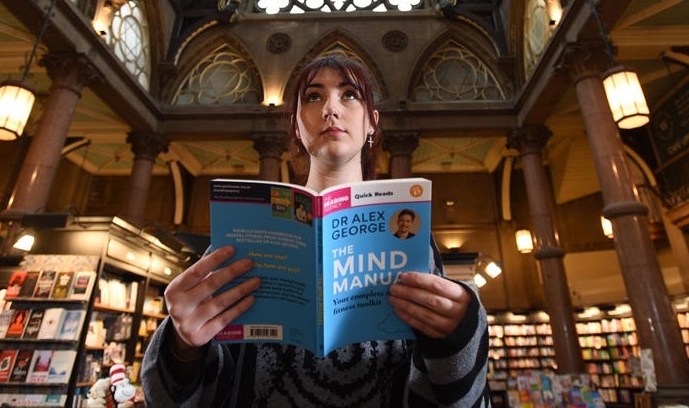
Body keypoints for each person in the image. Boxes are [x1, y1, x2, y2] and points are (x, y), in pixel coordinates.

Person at [140, 55, 490, 406]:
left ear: (372, 122)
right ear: (295, 124)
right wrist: (181, 344)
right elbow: (201, 380)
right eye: (312, 96)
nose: (330, 109)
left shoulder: (411, 231)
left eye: (350, 94)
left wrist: (458, 332)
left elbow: (446, 387)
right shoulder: (248, 226)